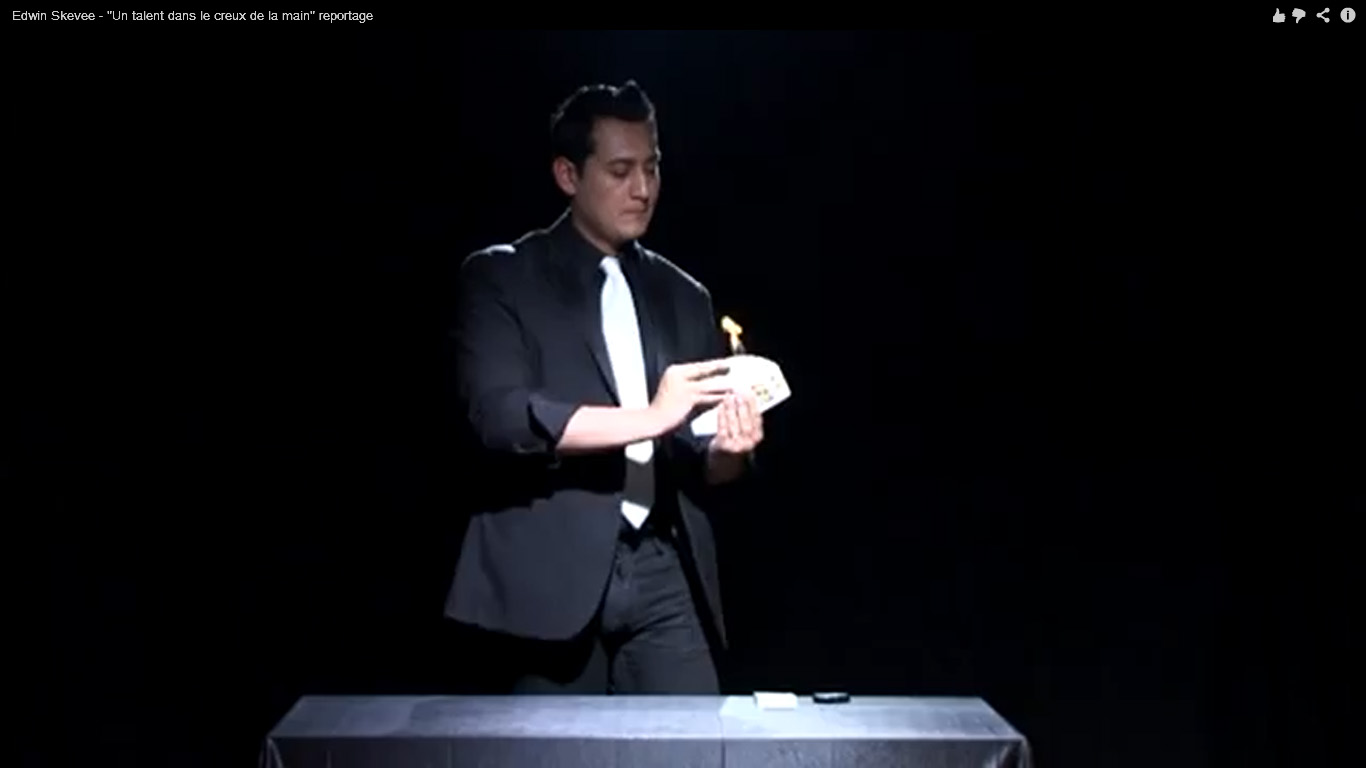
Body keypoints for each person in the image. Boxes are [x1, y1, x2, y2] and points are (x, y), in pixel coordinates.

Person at [443, 80, 763, 695]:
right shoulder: (502, 276)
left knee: (695, 740)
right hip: (547, 574)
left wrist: (730, 450)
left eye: (652, 167)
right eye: (620, 171)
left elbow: (703, 462)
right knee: (553, 744)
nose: (643, 189)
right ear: (568, 175)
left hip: (663, 568)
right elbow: (502, 418)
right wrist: (653, 416)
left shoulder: (685, 295)